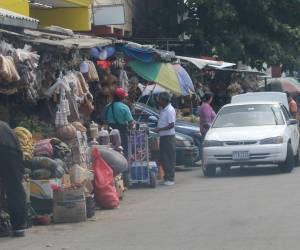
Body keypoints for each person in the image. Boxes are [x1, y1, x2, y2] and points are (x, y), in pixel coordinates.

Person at [0, 121, 26, 237]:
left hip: (9, 150)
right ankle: (19, 227)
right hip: (12, 151)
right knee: (15, 189)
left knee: (13, 189)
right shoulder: (4, 125)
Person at [153, 92, 176, 186]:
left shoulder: (170, 110)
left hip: (168, 137)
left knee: (169, 158)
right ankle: (167, 177)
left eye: (160, 100)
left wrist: (159, 129)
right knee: (163, 158)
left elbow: (171, 125)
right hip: (163, 136)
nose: (159, 102)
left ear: (164, 100)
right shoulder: (164, 109)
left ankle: (170, 178)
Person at [104, 87, 135, 158]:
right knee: (124, 153)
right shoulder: (124, 107)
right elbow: (131, 122)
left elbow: (104, 119)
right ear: (122, 98)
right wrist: (131, 130)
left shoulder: (107, 107)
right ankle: (125, 167)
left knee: (112, 153)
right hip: (122, 133)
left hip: (110, 133)